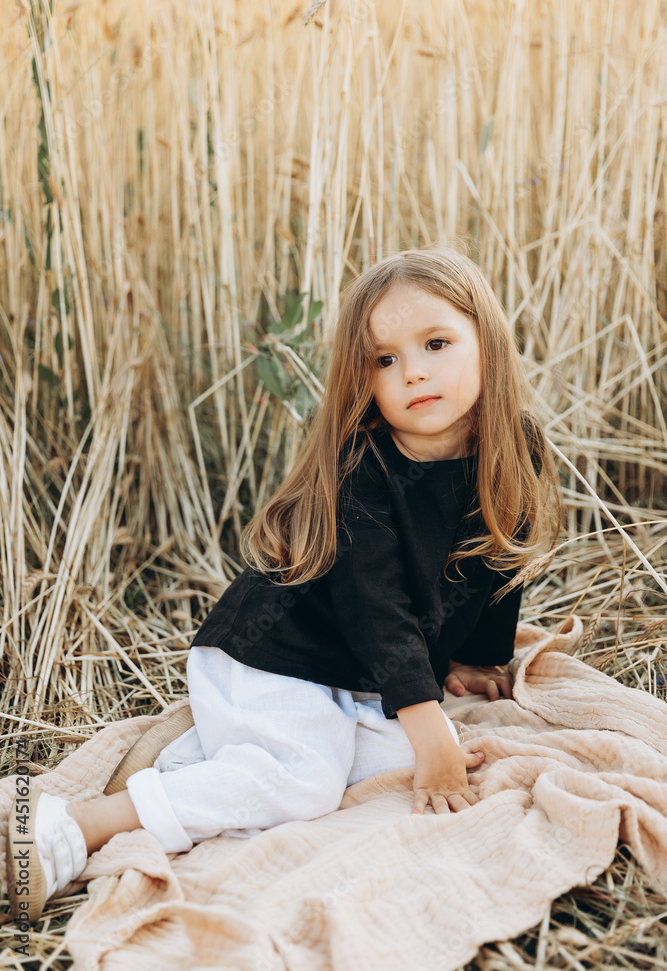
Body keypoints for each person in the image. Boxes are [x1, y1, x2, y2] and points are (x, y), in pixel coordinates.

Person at [6, 246, 562, 924]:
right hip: (273, 654)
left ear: (487, 342)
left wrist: (477, 659)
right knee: (308, 783)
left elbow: (500, 559)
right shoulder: (365, 465)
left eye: (436, 343)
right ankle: (76, 824)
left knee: (404, 756)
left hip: (351, 674)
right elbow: (375, 611)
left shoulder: (517, 446)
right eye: (383, 360)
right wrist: (425, 724)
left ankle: (188, 761)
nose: (412, 370)